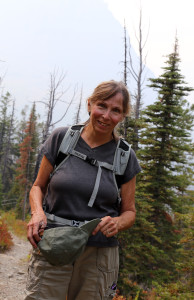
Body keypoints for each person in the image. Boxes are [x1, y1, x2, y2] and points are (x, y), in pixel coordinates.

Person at [25, 80, 141, 300]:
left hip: (98, 254)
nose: (106, 116)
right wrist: (37, 213)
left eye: (116, 111)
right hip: (53, 244)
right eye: (101, 106)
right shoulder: (62, 139)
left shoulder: (125, 157)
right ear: (90, 104)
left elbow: (130, 212)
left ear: (122, 116)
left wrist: (117, 222)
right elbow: (38, 187)